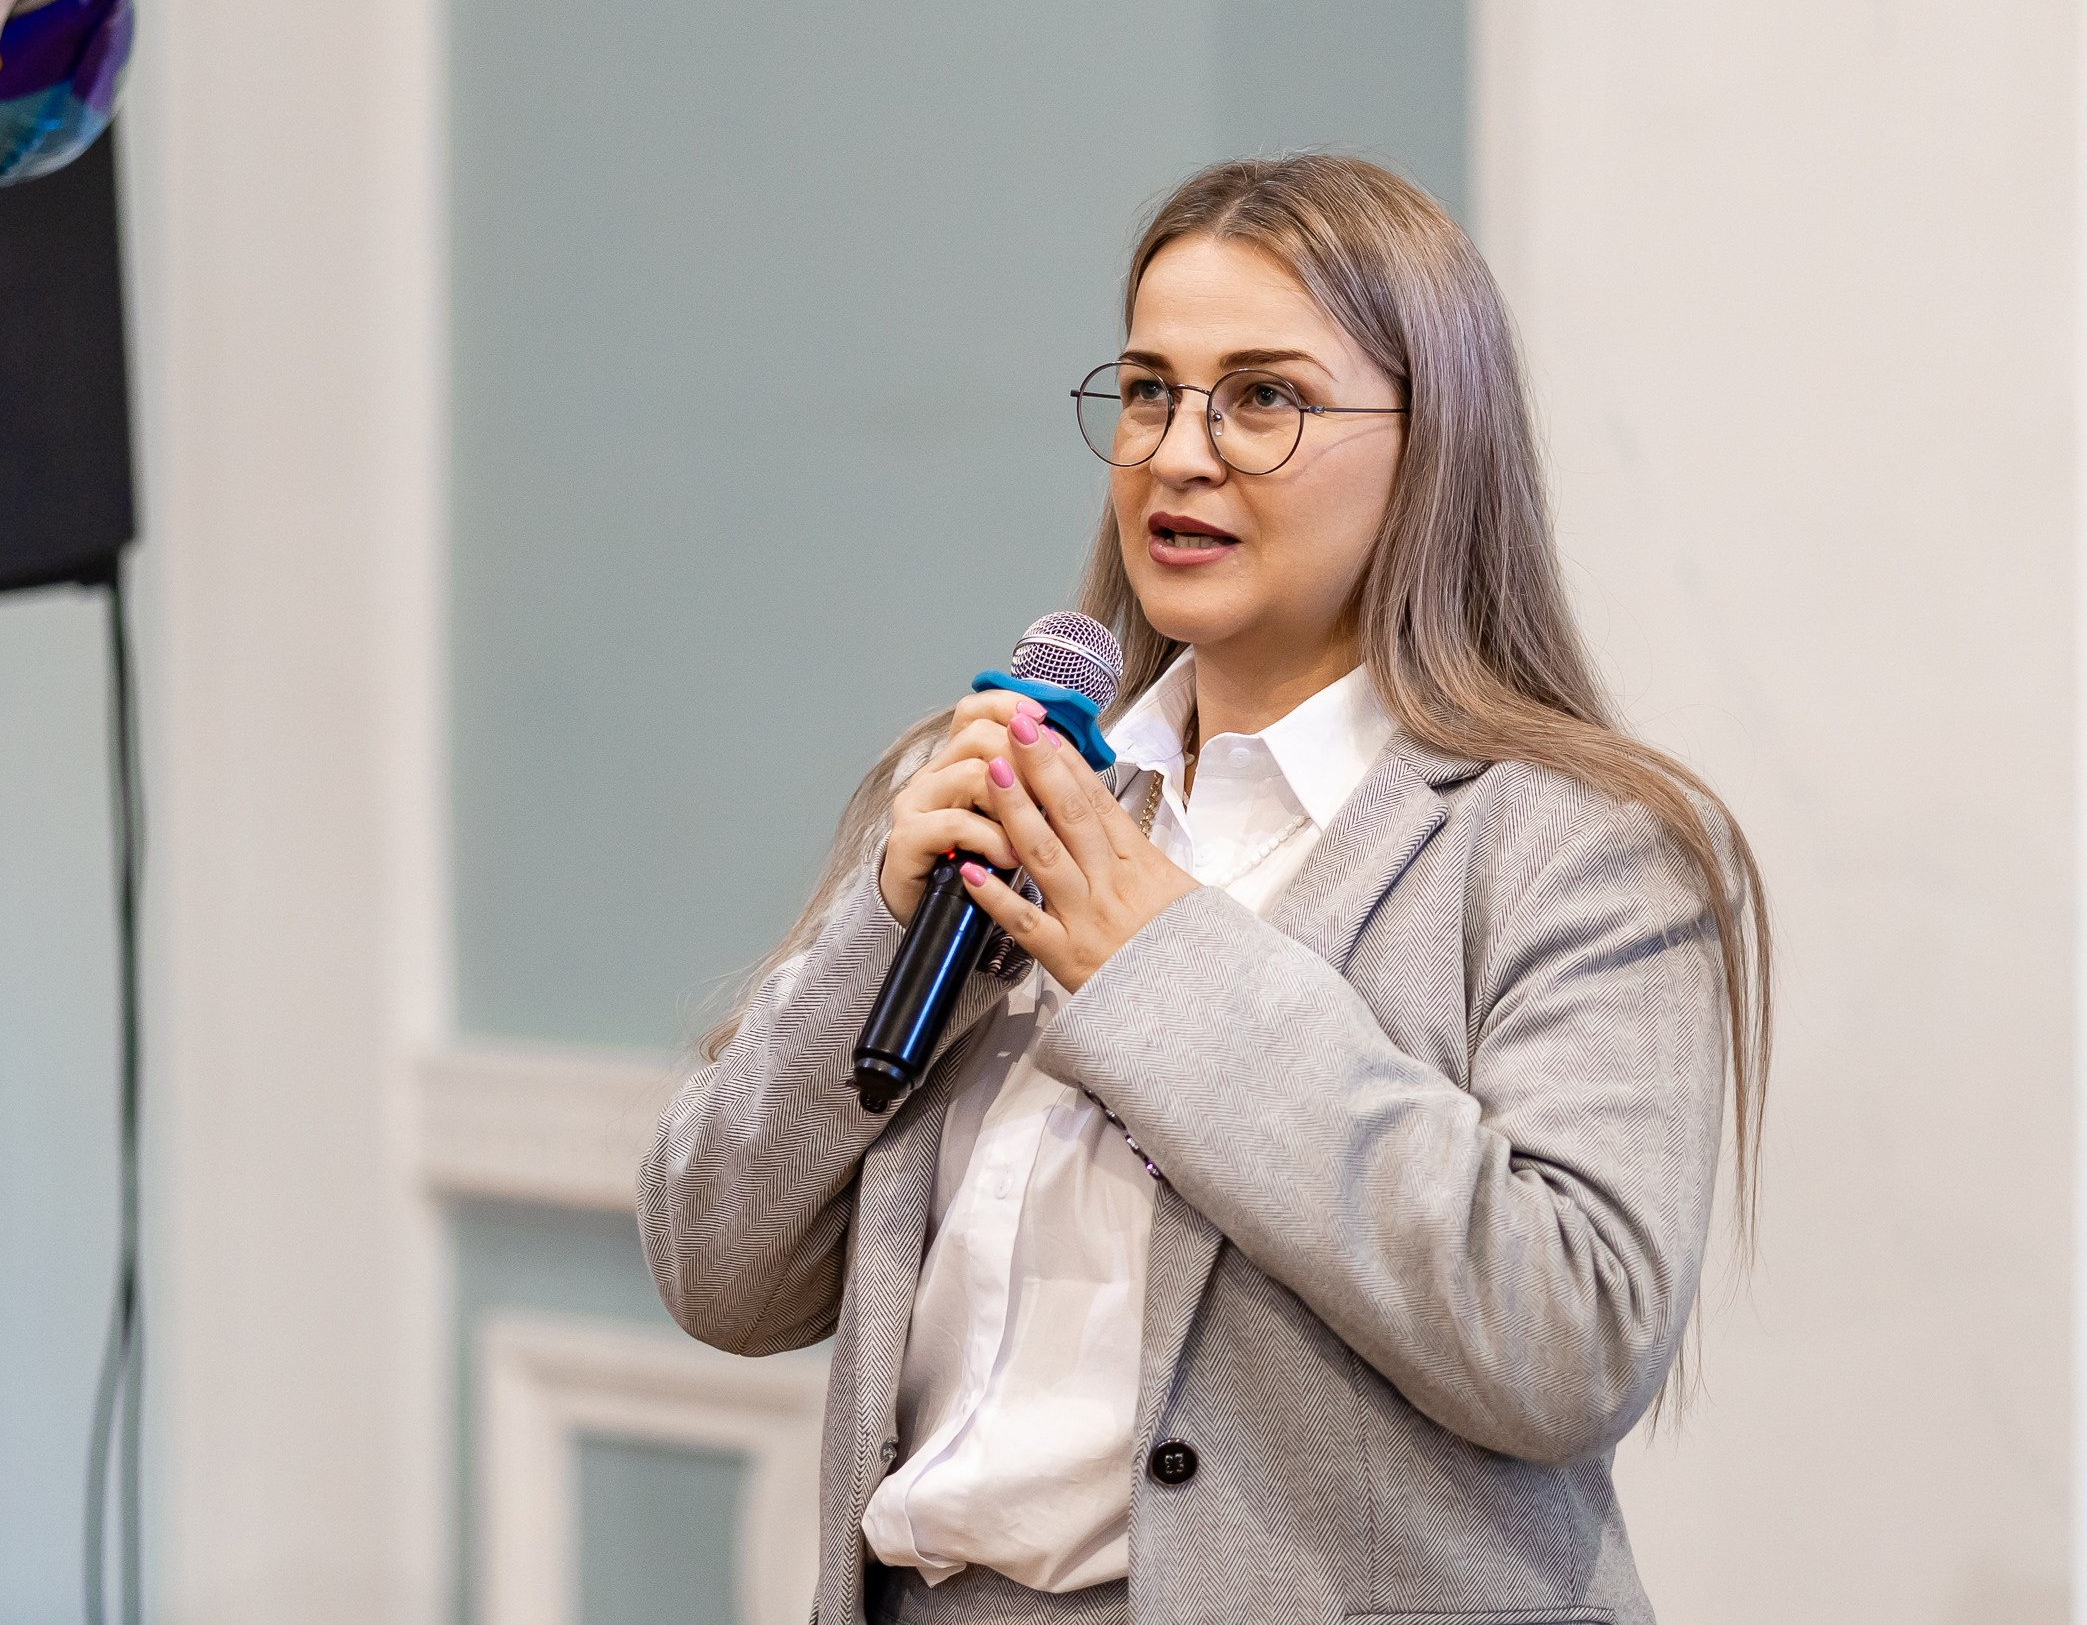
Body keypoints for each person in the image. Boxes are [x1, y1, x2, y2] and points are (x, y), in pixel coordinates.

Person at [637, 153, 1772, 1625]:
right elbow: (718, 1276)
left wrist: (1162, 964)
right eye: (1149, 391)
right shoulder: (999, 787)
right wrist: (880, 931)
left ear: (1434, 446)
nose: (1180, 452)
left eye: (1263, 398)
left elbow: (1569, 1339)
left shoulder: (1582, 848)